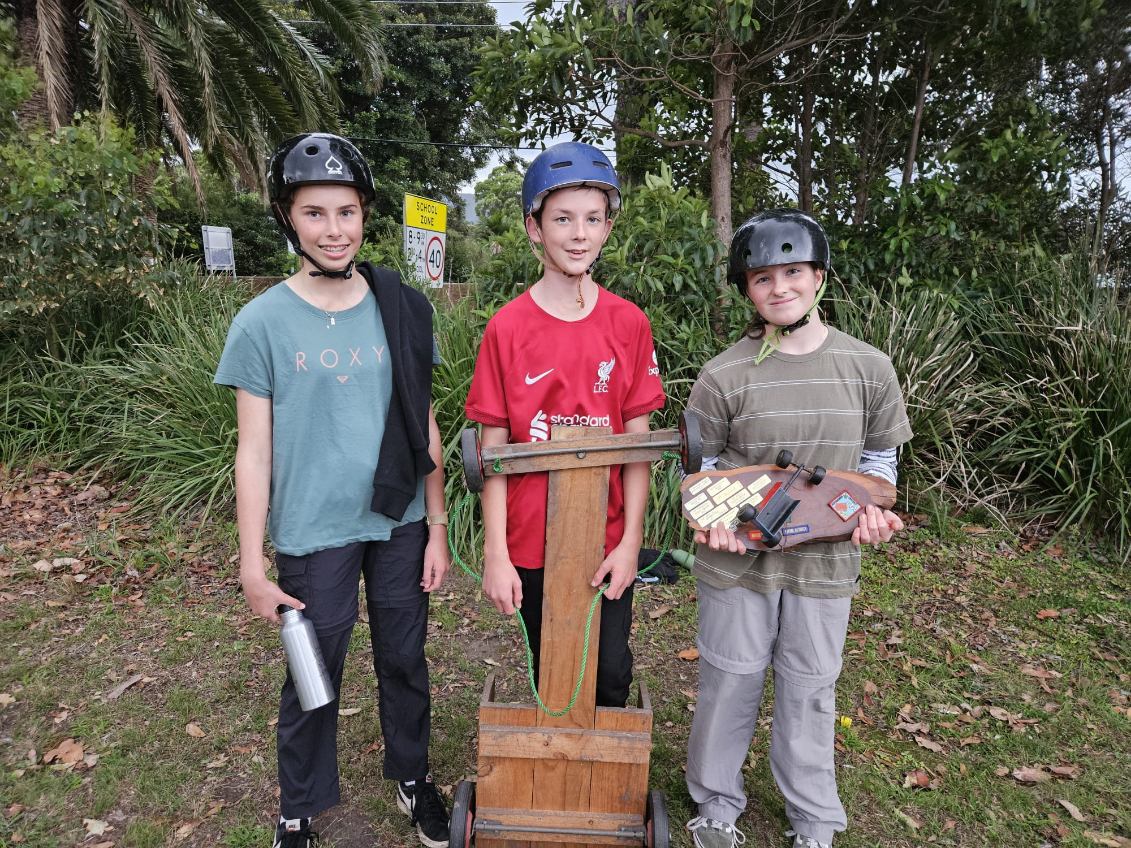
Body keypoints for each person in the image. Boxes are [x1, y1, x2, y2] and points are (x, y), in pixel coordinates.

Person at [213, 133, 452, 848]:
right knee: (314, 673)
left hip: (399, 516)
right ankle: (299, 807)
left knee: (405, 658)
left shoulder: (401, 306)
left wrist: (437, 525)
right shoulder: (261, 321)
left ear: (364, 215)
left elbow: (425, 420)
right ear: (287, 218)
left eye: (346, 212)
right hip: (313, 527)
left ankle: (412, 776)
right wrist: (251, 564)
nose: (334, 229)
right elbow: (252, 451)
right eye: (314, 213)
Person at [682, 209, 913, 848]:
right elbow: (701, 475)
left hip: (824, 565)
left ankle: (813, 815)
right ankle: (716, 805)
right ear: (746, 288)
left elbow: (877, 468)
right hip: (738, 563)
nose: (779, 288)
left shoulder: (869, 368)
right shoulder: (724, 374)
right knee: (730, 677)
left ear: (818, 277)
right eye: (763, 278)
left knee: (811, 685)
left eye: (793, 272)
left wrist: (873, 515)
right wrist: (713, 524)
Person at [464, 141, 665, 707]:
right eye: (562, 219)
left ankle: (602, 784)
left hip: (604, 538)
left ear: (607, 227)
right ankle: (549, 771)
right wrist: (496, 554)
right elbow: (492, 450)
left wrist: (630, 544)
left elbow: (638, 444)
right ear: (534, 228)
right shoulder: (508, 328)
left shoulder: (628, 323)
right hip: (530, 539)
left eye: (593, 219)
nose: (579, 234)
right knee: (549, 663)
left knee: (608, 671)